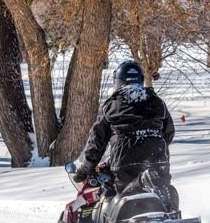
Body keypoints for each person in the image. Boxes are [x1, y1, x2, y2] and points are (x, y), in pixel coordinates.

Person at [72, 60, 175, 194]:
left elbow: (97, 141)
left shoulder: (110, 106)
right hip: (157, 158)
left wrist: (86, 167)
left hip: (124, 161)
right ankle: (168, 210)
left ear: (118, 81)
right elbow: (169, 132)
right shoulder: (157, 102)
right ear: (141, 80)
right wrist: (154, 145)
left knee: (112, 196)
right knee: (165, 192)